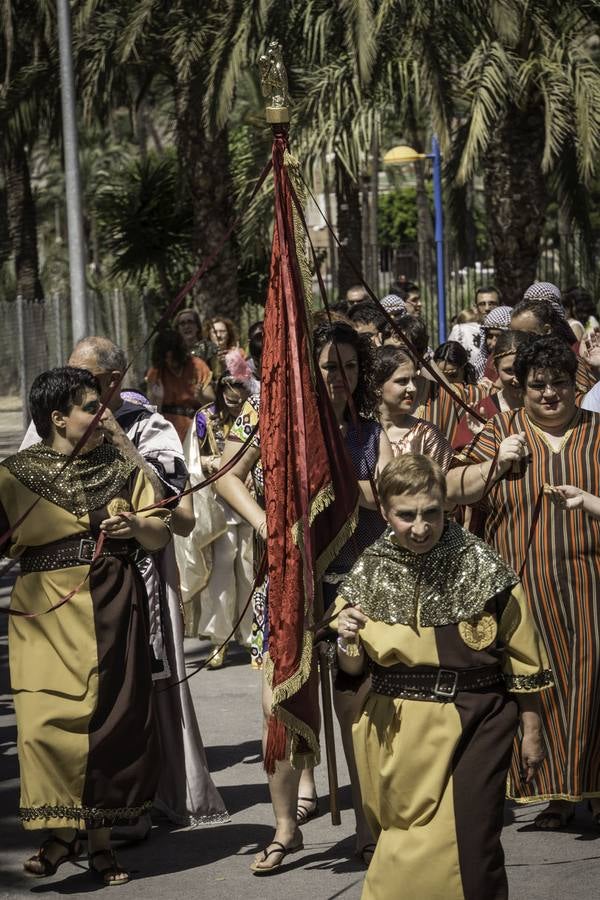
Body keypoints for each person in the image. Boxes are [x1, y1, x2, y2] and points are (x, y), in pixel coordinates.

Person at [21, 336, 229, 832]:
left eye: (87, 380)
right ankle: (71, 810)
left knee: (133, 689)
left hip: (134, 578)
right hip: (60, 586)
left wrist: (120, 441)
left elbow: (178, 515)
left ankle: (135, 803)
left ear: (114, 382)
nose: (73, 387)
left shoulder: (148, 426)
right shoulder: (48, 418)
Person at [216, 321, 393, 872]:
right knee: (278, 706)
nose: (340, 377)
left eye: (350, 366)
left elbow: (390, 498)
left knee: (353, 709)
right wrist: (272, 525)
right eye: (328, 366)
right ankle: (285, 828)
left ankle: (368, 826)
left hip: (351, 588)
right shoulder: (279, 428)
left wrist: (347, 491)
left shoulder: (370, 434)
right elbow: (226, 475)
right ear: (307, 372)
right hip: (289, 585)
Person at [333, 453, 551, 900]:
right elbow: (353, 671)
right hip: (396, 731)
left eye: (431, 512)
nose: (420, 526)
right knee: (399, 844)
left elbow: (522, 655)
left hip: (476, 720)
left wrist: (532, 727)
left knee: (472, 845)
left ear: (445, 505)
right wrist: (346, 639)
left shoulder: (481, 566)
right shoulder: (368, 570)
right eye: (406, 515)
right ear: (386, 512)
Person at [2, 367, 173, 885]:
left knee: (111, 724)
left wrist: (137, 524)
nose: (103, 416)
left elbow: (160, 533)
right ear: (58, 418)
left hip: (113, 606)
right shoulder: (12, 475)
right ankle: (59, 830)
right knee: (41, 725)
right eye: (90, 407)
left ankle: (98, 844)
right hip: (45, 617)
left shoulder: (122, 467)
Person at [455, 336, 600, 830]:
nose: (550, 394)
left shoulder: (598, 432)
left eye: (560, 384)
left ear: (576, 385)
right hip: (522, 587)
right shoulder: (502, 430)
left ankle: (594, 788)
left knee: (592, 683)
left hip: (592, 585)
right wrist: (492, 467)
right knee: (540, 684)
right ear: (522, 387)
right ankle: (555, 795)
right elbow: (448, 488)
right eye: (539, 385)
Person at [175, 350, 257, 669]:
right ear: (221, 389)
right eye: (230, 395)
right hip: (217, 502)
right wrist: (223, 467)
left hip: (251, 498)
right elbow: (195, 459)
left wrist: (251, 472)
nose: (236, 403)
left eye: (242, 396)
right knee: (223, 566)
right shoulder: (204, 417)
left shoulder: (254, 414)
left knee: (249, 566)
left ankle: (253, 638)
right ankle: (219, 638)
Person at [374, 345, 454, 470]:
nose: (413, 388)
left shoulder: (427, 435)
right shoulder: (360, 434)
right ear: (377, 386)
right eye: (402, 381)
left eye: (414, 380)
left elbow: (444, 485)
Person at [145, 328, 214, 442]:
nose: (169, 361)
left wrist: (200, 395)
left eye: (173, 356)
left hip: (195, 427)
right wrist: (157, 399)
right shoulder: (156, 372)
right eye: (166, 357)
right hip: (167, 429)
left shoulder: (198, 366)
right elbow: (151, 411)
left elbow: (211, 403)